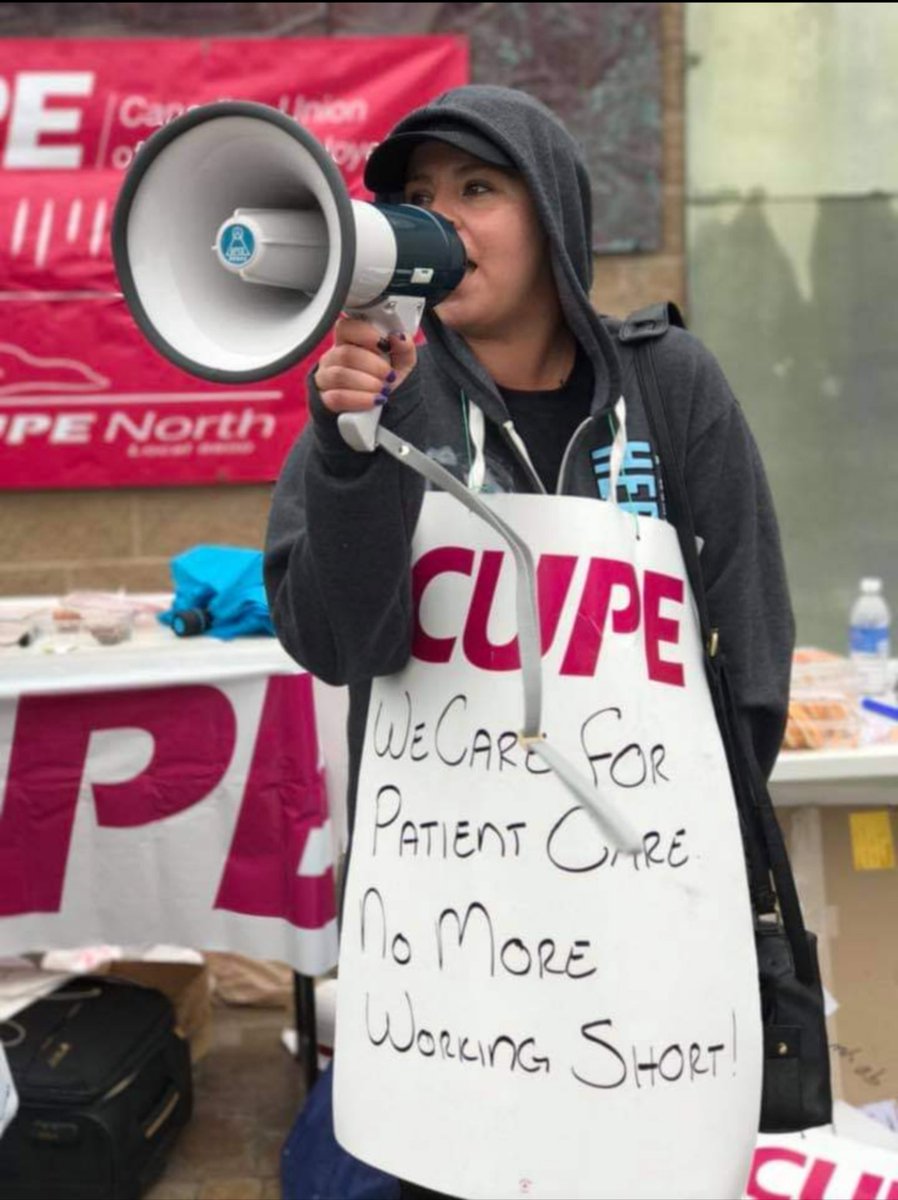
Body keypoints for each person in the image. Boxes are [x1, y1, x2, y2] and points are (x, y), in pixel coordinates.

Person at [264, 84, 794, 1198]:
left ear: (552, 211)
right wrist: (348, 454)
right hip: (448, 932)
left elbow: (747, 631)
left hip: (636, 918)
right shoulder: (374, 400)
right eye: (415, 195)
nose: (439, 216)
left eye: (476, 187)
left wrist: (691, 850)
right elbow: (335, 637)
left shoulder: (669, 385)